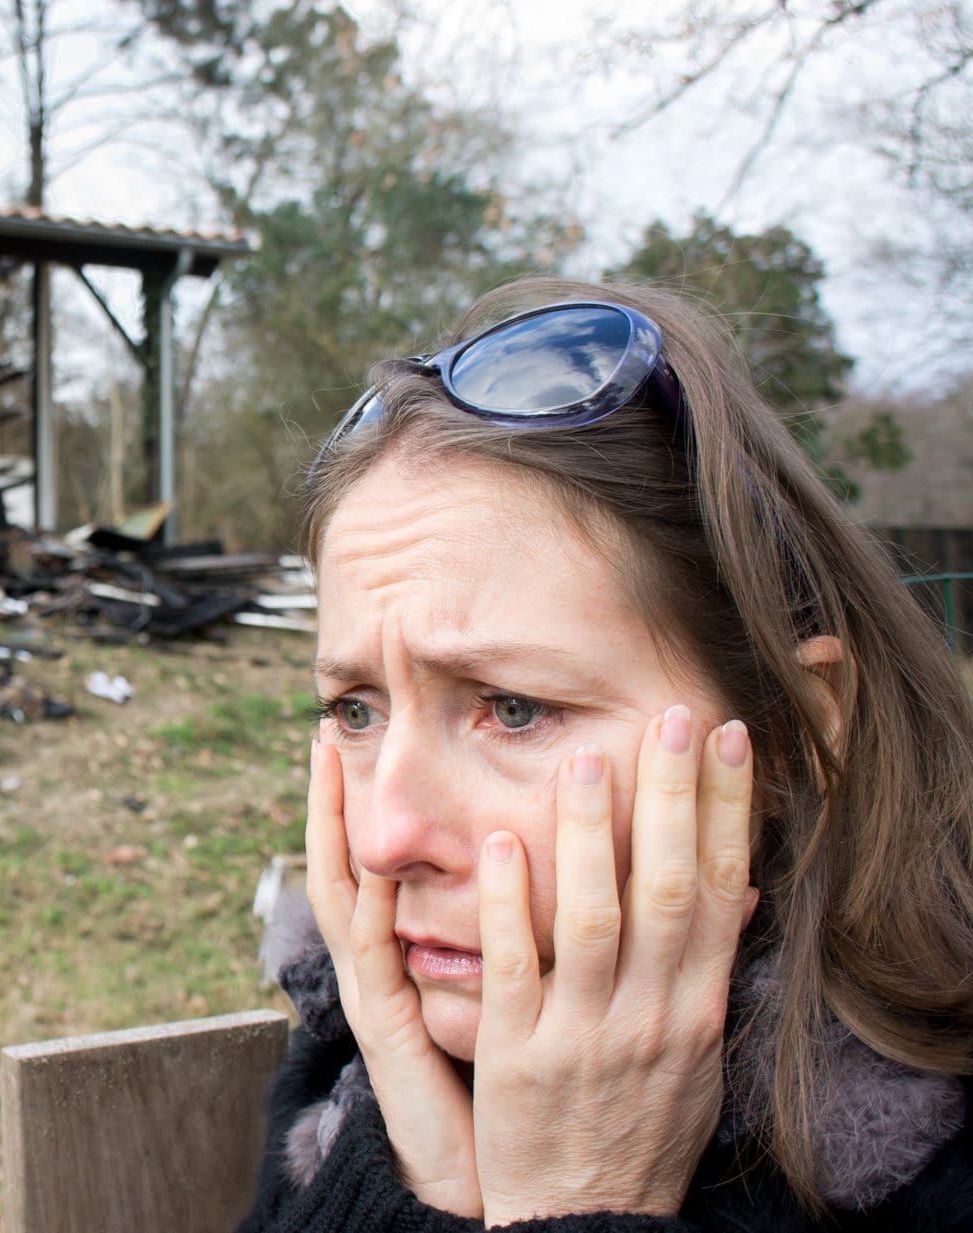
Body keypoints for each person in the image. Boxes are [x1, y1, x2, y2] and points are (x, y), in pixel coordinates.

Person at [239, 277, 973, 1231]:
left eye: (512, 707)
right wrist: (414, 1179)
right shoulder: (354, 1076)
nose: (384, 836)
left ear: (794, 736)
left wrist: (579, 1206)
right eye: (356, 708)